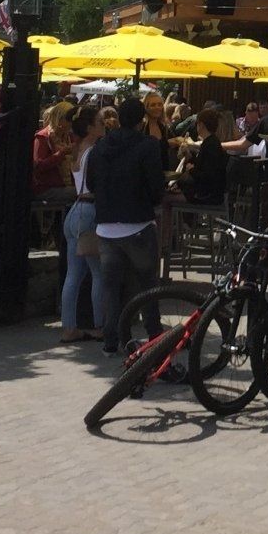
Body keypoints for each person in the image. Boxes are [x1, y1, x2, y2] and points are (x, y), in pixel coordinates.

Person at [87, 97, 169, 355]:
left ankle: (111, 340)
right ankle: (155, 335)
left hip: (106, 226)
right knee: (148, 285)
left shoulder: (100, 146)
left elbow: (91, 183)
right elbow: (157, 187)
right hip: (138, 223)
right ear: (141, 119)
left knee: (112, 288)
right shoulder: (148, 146)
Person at [58, 105, 108, 344]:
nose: (104, 125)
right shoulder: (94, 152)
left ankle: (69, 327)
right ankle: (99, 325)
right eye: (99, 122)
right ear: (90, 127)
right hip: (89, 210)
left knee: (73, 274)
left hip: (75, 211)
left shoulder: (78, 150)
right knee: (97, 272)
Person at [175, 108, 230, 206]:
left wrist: (191, 169)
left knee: (167, 198)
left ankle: (187, 221)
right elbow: (203, 165)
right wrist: (189, 156)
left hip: (206, 195)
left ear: (201, 125)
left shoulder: (210, 145)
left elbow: (207, 176)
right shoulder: (211, 142)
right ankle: (189, 221)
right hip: (209, 193)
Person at [33, 101, 78, 204]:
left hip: (65, 185)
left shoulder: (69, 137)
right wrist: (61, 154)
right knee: (80, 194)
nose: (71, 123)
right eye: (69, 119)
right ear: (59, 118)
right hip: (46, 188)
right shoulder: (43, 138)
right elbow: (38, 166)